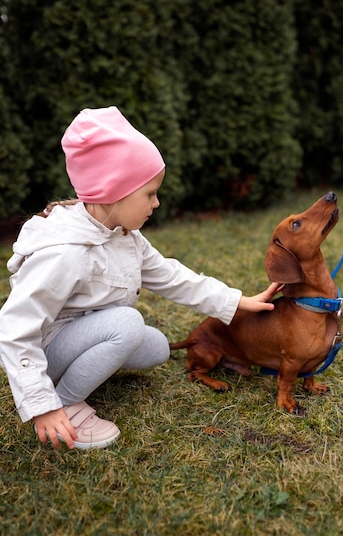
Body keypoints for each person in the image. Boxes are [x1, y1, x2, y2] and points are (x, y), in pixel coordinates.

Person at [0, 106, 280, 451]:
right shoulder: (65, 253)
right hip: (45, 351)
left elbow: (170, 275)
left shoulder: (122, 233)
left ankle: (82, 373)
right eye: (149, 193)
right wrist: (42, 407)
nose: (157, 202)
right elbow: (14, 329)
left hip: (82, 334)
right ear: (112, 192)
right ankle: (67, 402)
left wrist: (235, 302)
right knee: (128, 325)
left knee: (156, 348)